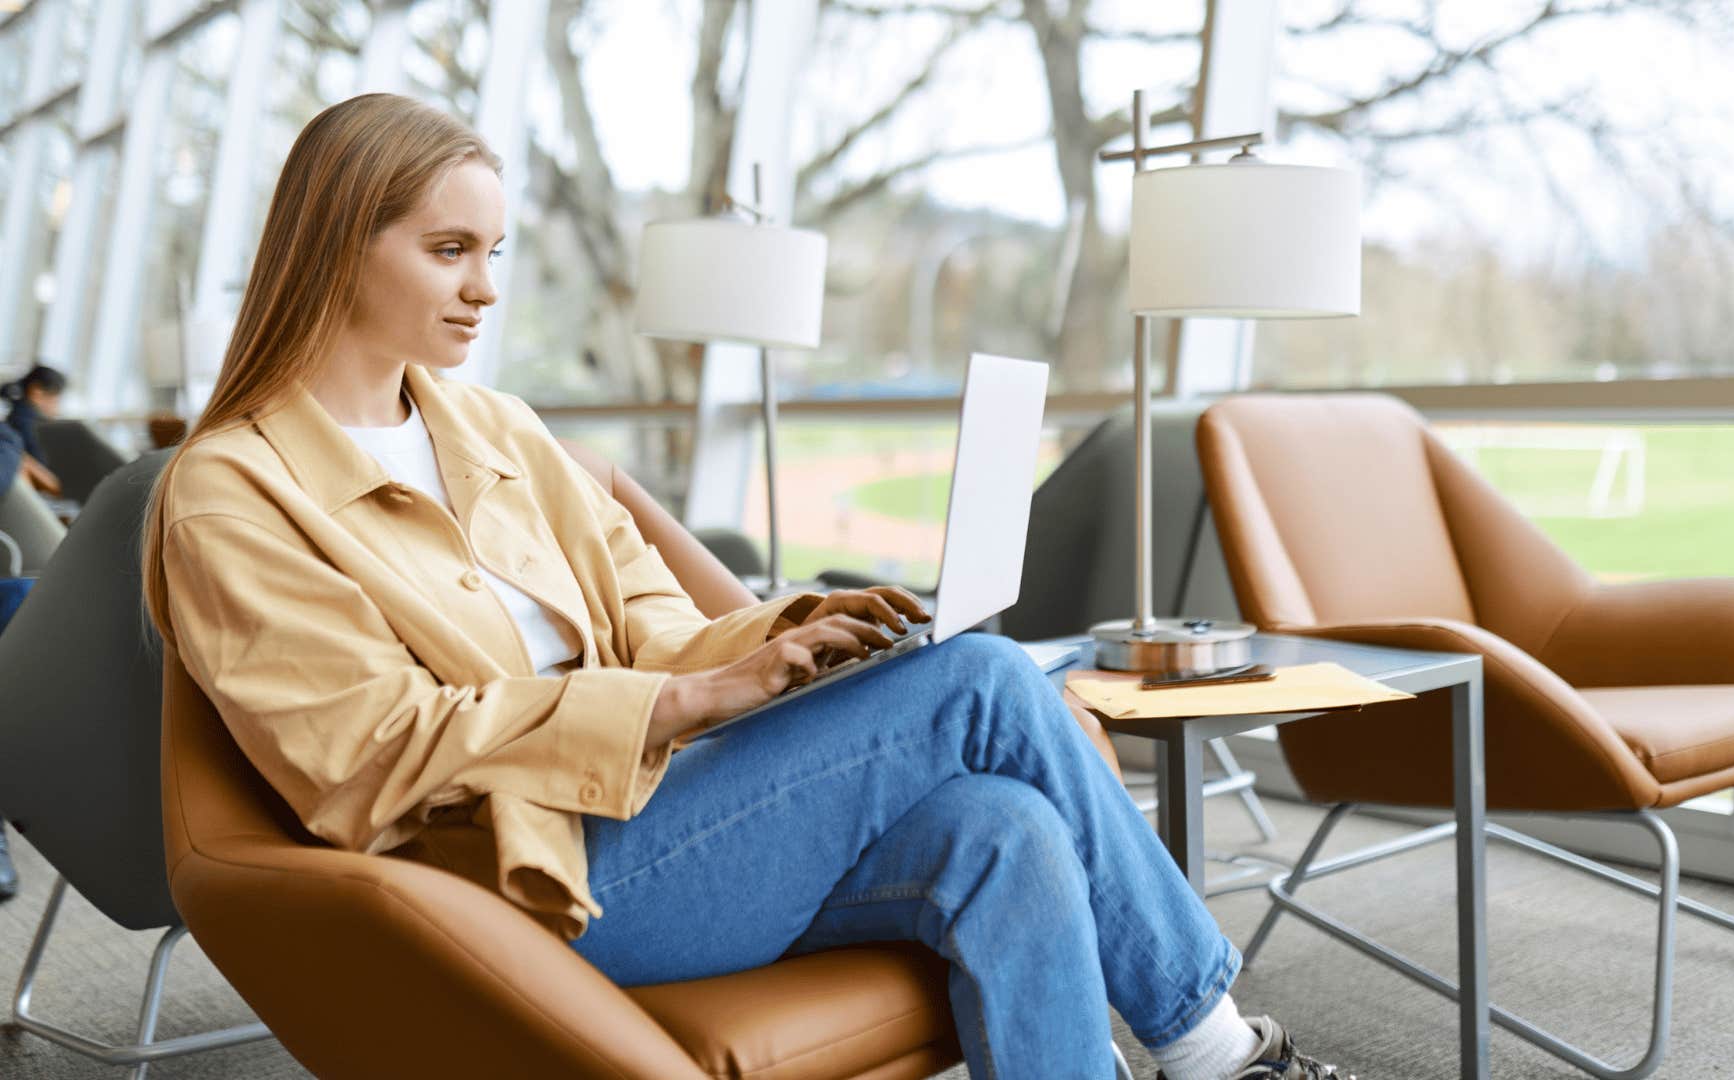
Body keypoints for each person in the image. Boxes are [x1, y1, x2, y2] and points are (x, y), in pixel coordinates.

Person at [140, 94, 1350, 1080]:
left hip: (667, 813)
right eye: (449, 250)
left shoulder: (493, 428)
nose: (485, 288)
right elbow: (367, 756)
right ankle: (1224, 1055)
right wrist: (683, 707)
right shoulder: (233, 494)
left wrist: (790, 639)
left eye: (494, 252)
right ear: (335, 240)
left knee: (1009, 830)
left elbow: (649, 615)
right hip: (524, 877)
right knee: (978, 681)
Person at [1, 364, 65, 499]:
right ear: (37, 392)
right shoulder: (23, 429)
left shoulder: (14, 424)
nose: (57, 409)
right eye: (55, 400)